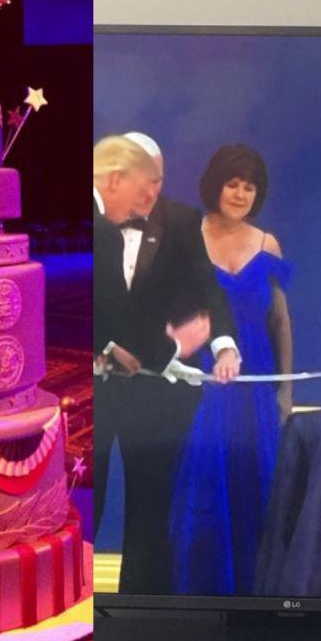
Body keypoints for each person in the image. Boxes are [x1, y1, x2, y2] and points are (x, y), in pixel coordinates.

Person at [94, 133, 240, 593]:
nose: (152, 194)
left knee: (151, 513)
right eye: (145, 182)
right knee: (82, 503)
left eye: (158, 181)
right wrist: (171, 349)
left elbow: (206, 291)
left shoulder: (180, 222)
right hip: (93, 392)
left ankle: (139, 621)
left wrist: (223, 344)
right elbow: (107, 308)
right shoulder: (98, 226)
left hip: (154, 396)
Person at [170, 144, 293, 595]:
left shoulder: (267, 244)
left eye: (249, 186)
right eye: (232, 182)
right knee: (206, 481)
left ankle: (258, 591)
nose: (240, 193)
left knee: (256, 481)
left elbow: (280, 321)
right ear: (215, 185)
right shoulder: (188, 235)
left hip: (256, 383)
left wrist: (283, 392)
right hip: (201, 382)